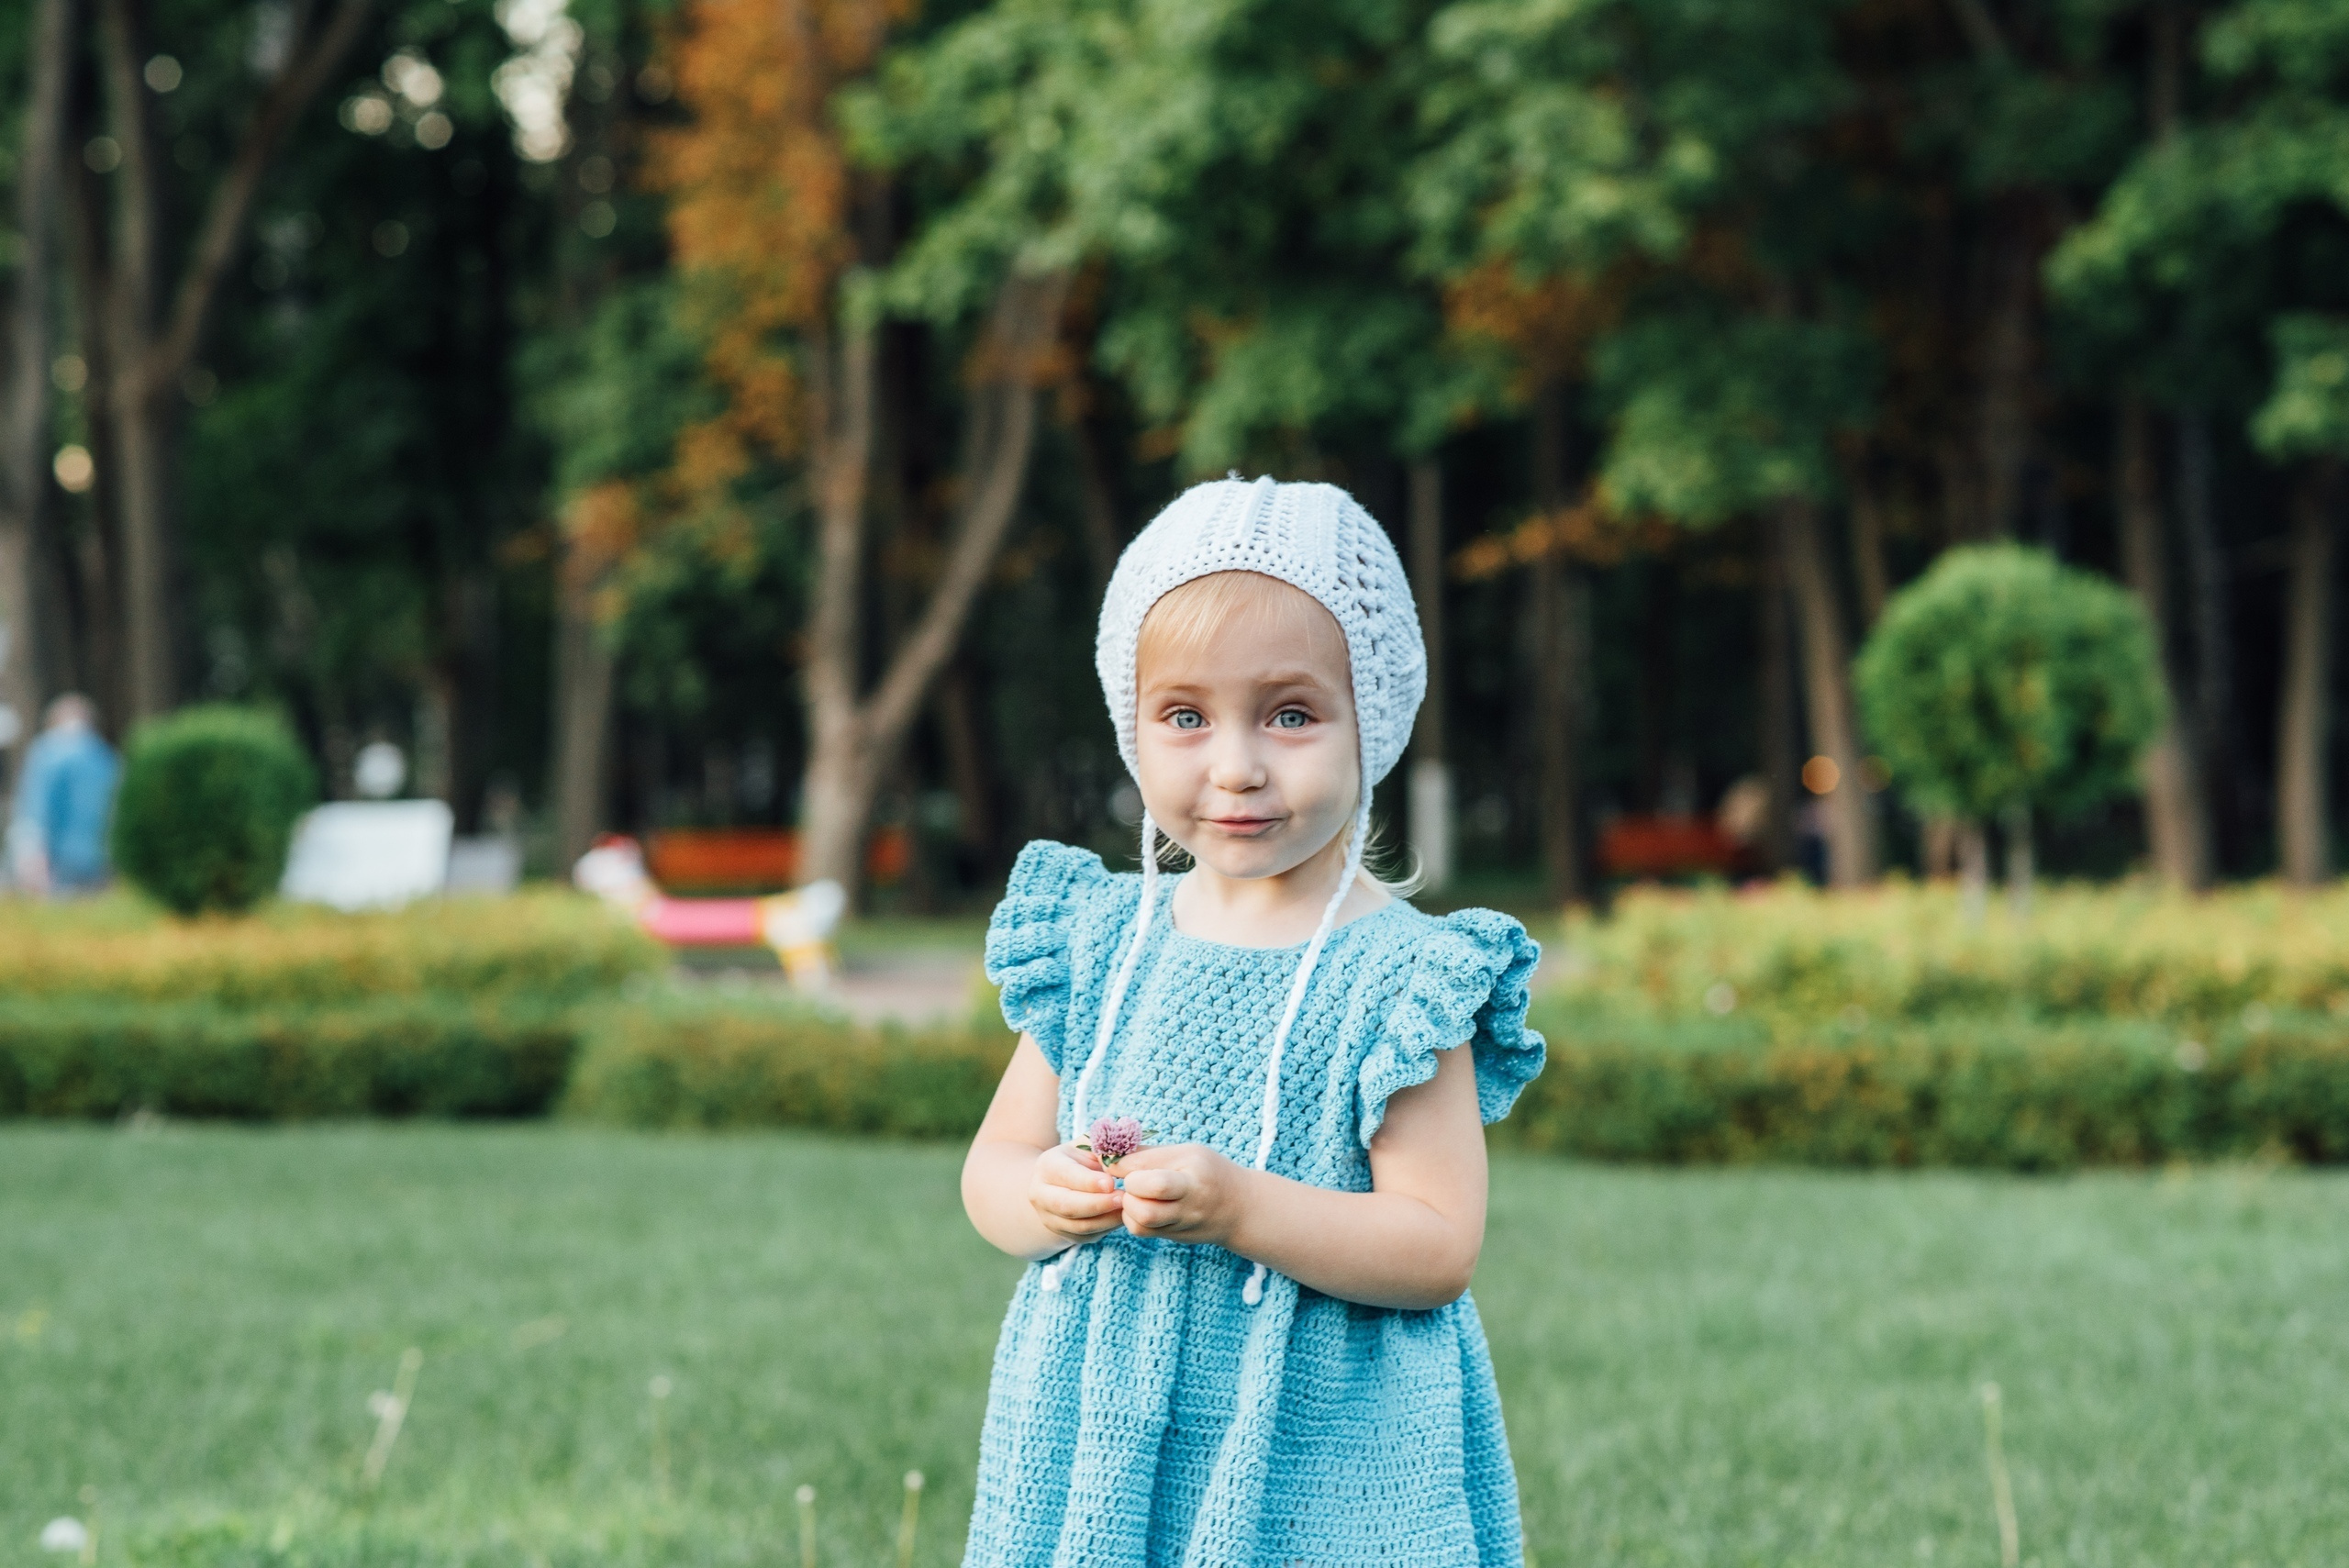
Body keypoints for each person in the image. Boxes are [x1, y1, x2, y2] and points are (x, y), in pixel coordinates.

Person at [961, 478, 1546, 1564]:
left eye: (1290, 713)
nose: (1235, 765)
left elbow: (1435, 1245)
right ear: (1130, 724)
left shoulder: (1400, 976)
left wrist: (1240, 1205)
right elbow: (995, 1161)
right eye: (1184, 716)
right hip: (1100, 1416)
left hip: (1324, 1436)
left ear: (1370, 714)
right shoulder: (1100, 940)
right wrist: (1041, 1197)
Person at [6, 694, 121, 895]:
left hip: (60, 860)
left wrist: (29, 857)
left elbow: (36, 810)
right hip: (101, 859)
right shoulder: (105, 756)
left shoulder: (47, 751)